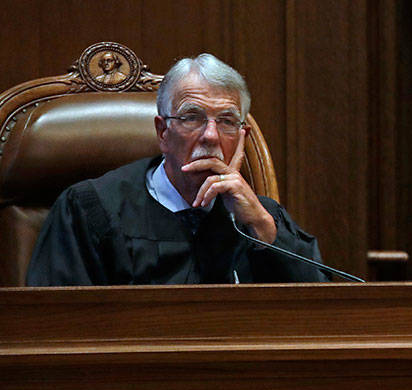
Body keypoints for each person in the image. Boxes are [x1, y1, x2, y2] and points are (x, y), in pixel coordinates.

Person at [26, 53, 327, 285]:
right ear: (163, 133)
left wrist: (262, 227)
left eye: (226, 121)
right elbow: (57, 329)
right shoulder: (88, 210)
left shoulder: (260, 217)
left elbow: (319, 314)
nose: (210, 135)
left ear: (242, 138)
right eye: (192, 117)